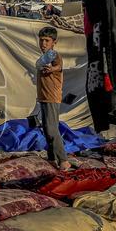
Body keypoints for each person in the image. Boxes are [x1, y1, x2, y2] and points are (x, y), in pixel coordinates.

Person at [36, 26, 70, 170]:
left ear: (53, 42)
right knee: (46, 128)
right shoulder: (44, 58)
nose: (43, 43)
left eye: (47, 41)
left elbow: (59, 66)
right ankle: (52, 158)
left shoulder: (53, 55)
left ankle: (63, 160)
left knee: (52, 129)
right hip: (43, 97)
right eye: (41, 40)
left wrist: (53, 69)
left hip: (51, 97)